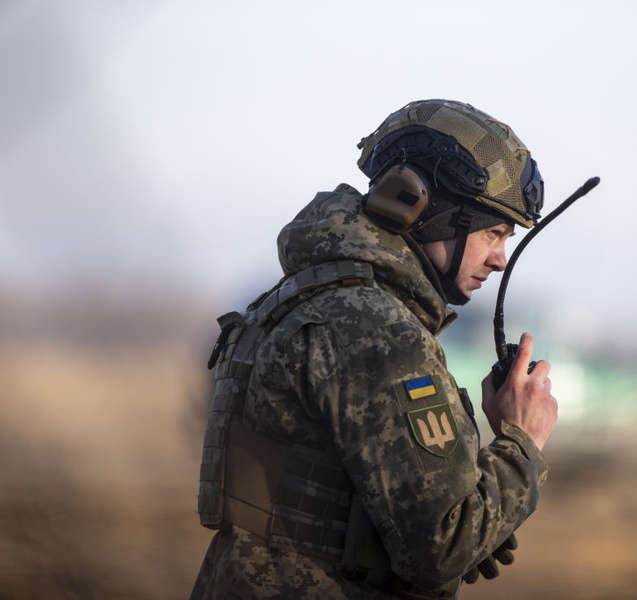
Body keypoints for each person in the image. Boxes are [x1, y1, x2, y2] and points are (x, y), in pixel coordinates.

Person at [190, 99, 558, 599]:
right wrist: (522, 441)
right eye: (492, 231)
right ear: (423, 210)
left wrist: (480, 503)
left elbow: (344, 500)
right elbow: (440, 546)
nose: (499, 258)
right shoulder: (378, 332)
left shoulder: (313, 297)